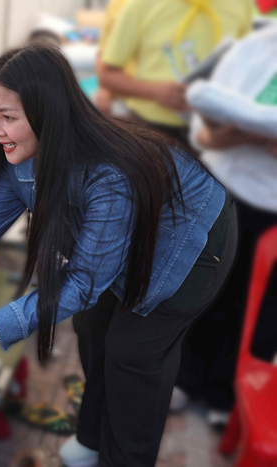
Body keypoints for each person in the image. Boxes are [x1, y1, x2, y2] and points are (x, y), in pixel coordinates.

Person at [0, 44, 237, 466]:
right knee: (91, 326)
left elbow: (83, 284)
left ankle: (124, 459)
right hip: (138, 233)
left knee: (132, 354)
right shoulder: (23, 157)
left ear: (47, 112)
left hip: (191, 242)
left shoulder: (107, 176)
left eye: (8, 117)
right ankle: (91, 439)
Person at [175, 23, 277, 424]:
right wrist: (243, 137)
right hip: (221, 192)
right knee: (202, 290)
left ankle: (228, 395)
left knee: (259, 309)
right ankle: (183, 378)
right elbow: (203, 134)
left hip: (272, 213)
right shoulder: (256, 47)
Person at [98, 0, 253, 148]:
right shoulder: (139, 4)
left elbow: (248, 65)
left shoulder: (242, 3)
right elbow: (106, 74)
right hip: (151, 133)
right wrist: (152, 91)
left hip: (220, 136)